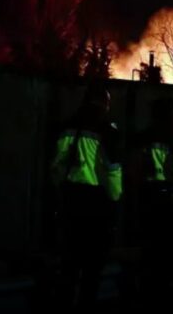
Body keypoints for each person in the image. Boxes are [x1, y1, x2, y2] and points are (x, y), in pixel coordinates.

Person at [49, 82, 122, 311]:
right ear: (104, 104)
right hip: (97, 204)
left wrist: (62, 188)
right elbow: (112, 170)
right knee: (93, 268)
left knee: (69, 265)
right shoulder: (107, 131)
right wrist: (115, 198)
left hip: (71, 201)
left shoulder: (69, 126)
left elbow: (57, 167)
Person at [137, 96, 173, 297]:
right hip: (171, 205)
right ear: (172, 113)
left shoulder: (143, 137)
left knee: (151, 255)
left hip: (146, 203)